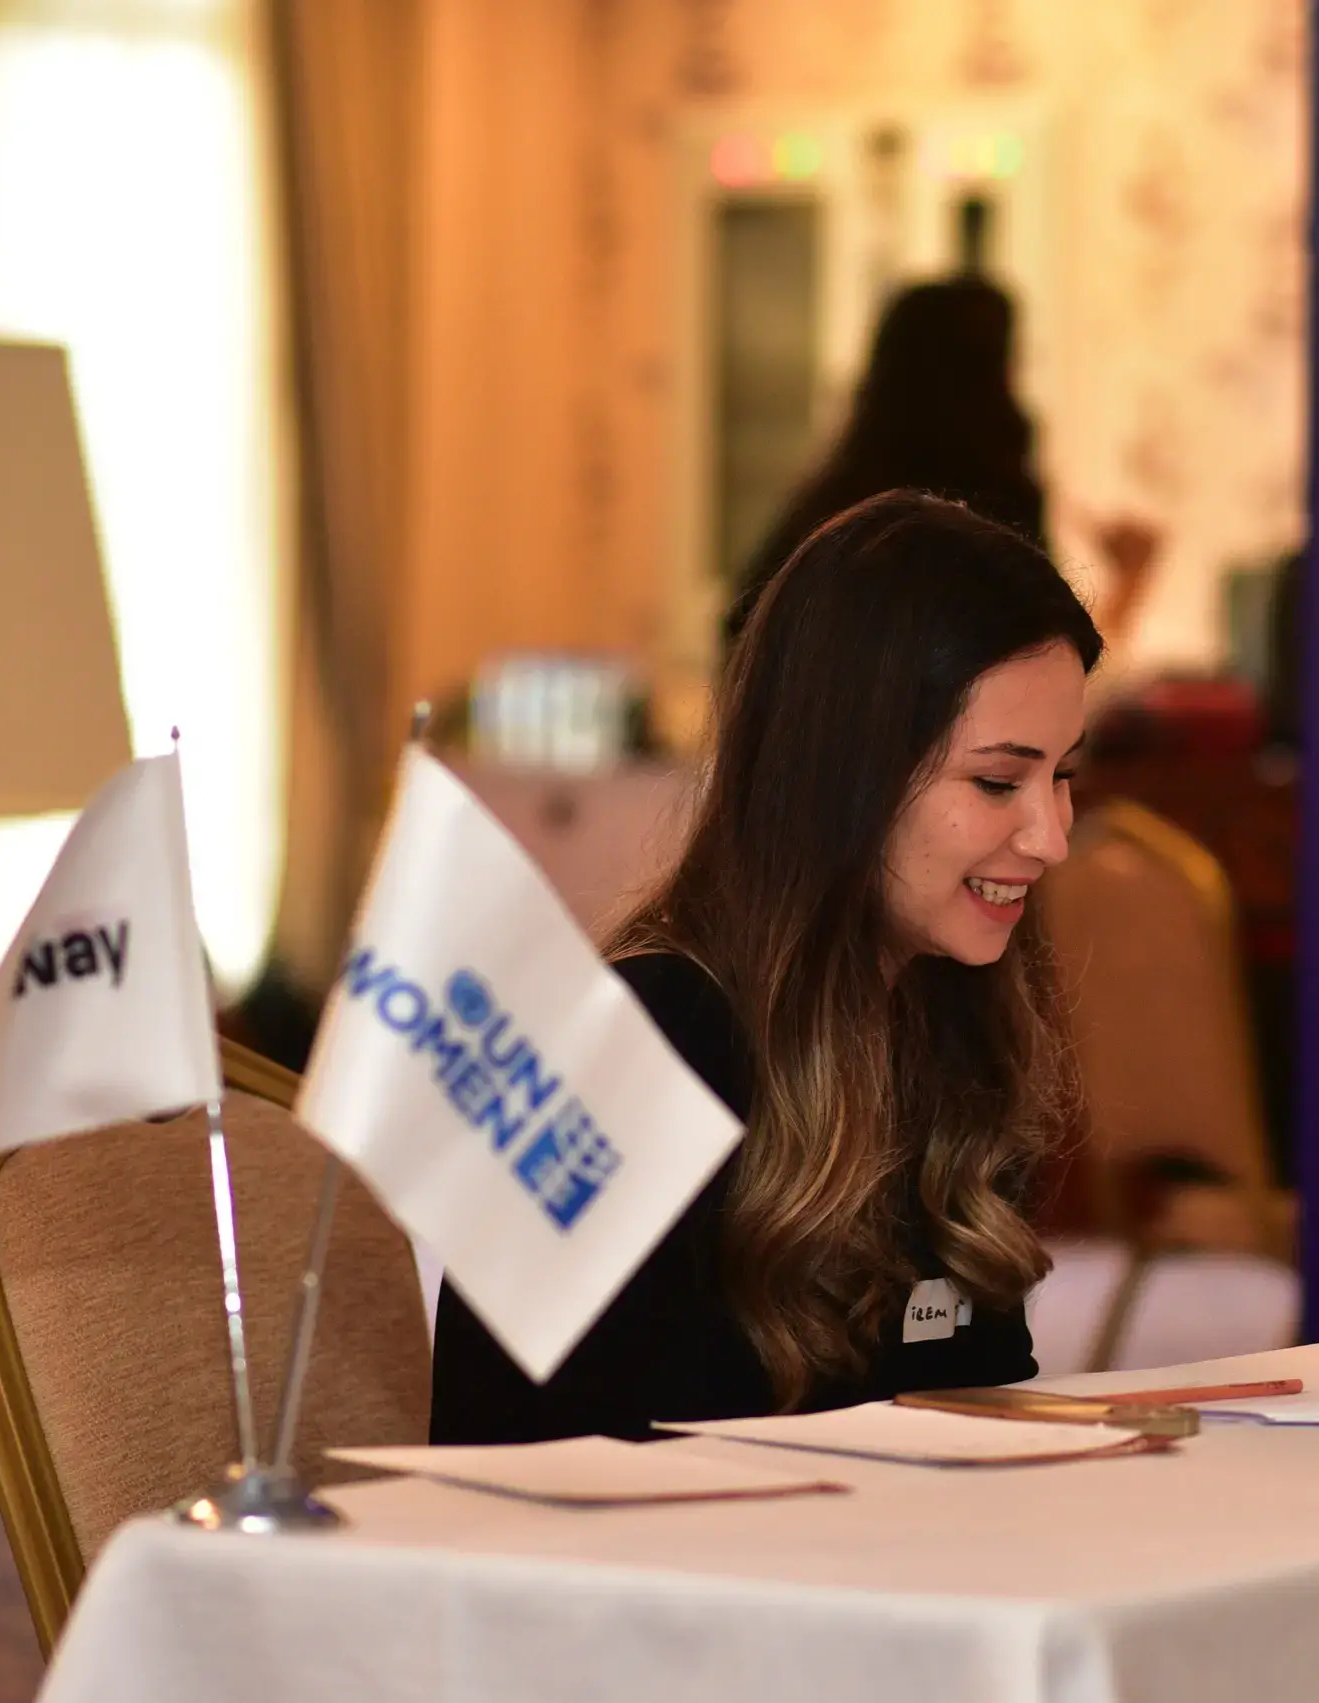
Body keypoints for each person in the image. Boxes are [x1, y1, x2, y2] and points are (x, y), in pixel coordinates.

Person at [433, 492, 1101, 1442]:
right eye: (998, 781)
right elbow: (516, 1469)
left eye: (1063, 776)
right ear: (848, 775)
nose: (1051, 837)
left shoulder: (956, 1015)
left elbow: (972, 1417)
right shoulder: (644, 1046)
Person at [728, 277, 1157, 656]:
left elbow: (742, 628)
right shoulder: (986, 509)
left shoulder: (838, 498)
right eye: (1011, 367)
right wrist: (1131, 581)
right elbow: (1040, 667)